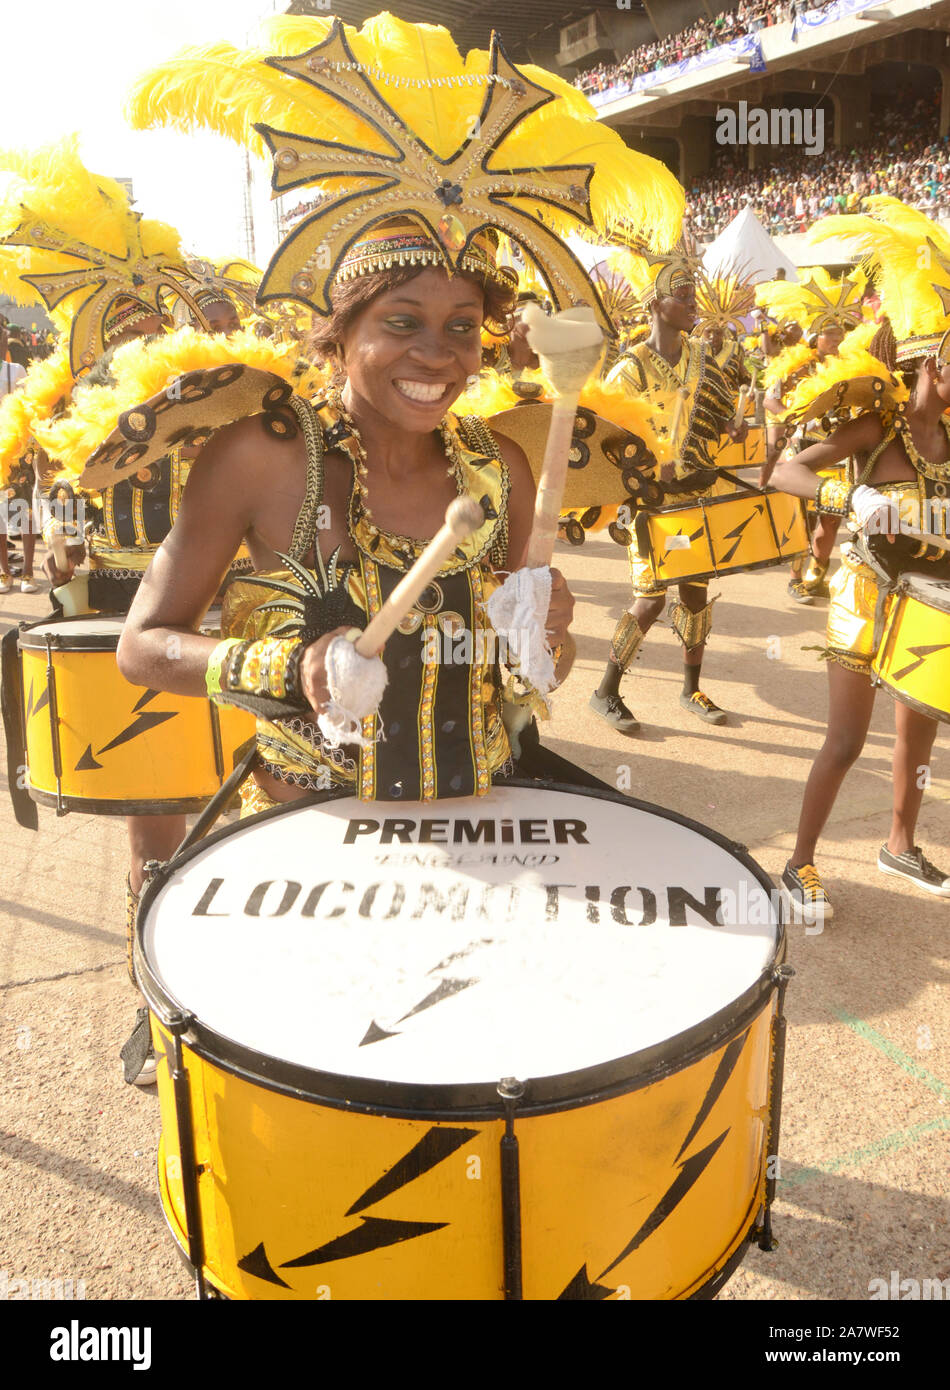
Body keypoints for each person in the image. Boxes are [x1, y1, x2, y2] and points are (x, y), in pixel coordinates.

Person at [771, 204, 950, 923]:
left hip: (931, 602)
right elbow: (783, 472)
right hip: (864, 592)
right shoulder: (876, 426)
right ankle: (799, 860)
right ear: (932, 362)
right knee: (846, 741)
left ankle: (899, 842)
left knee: (920, 731)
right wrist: (852, 495)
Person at [590, 247, 746, 733]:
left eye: (692, 295)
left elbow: (719, 417)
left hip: (696, 499)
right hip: (650, 506)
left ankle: (690, 688)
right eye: (682, 297)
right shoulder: (630, 369)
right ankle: (606, 691)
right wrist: (646, 473)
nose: (692, 303)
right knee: (651, 598)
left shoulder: (702, 357)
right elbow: (605, 441)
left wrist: (734, 427)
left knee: (695, 595)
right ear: (656, 306)